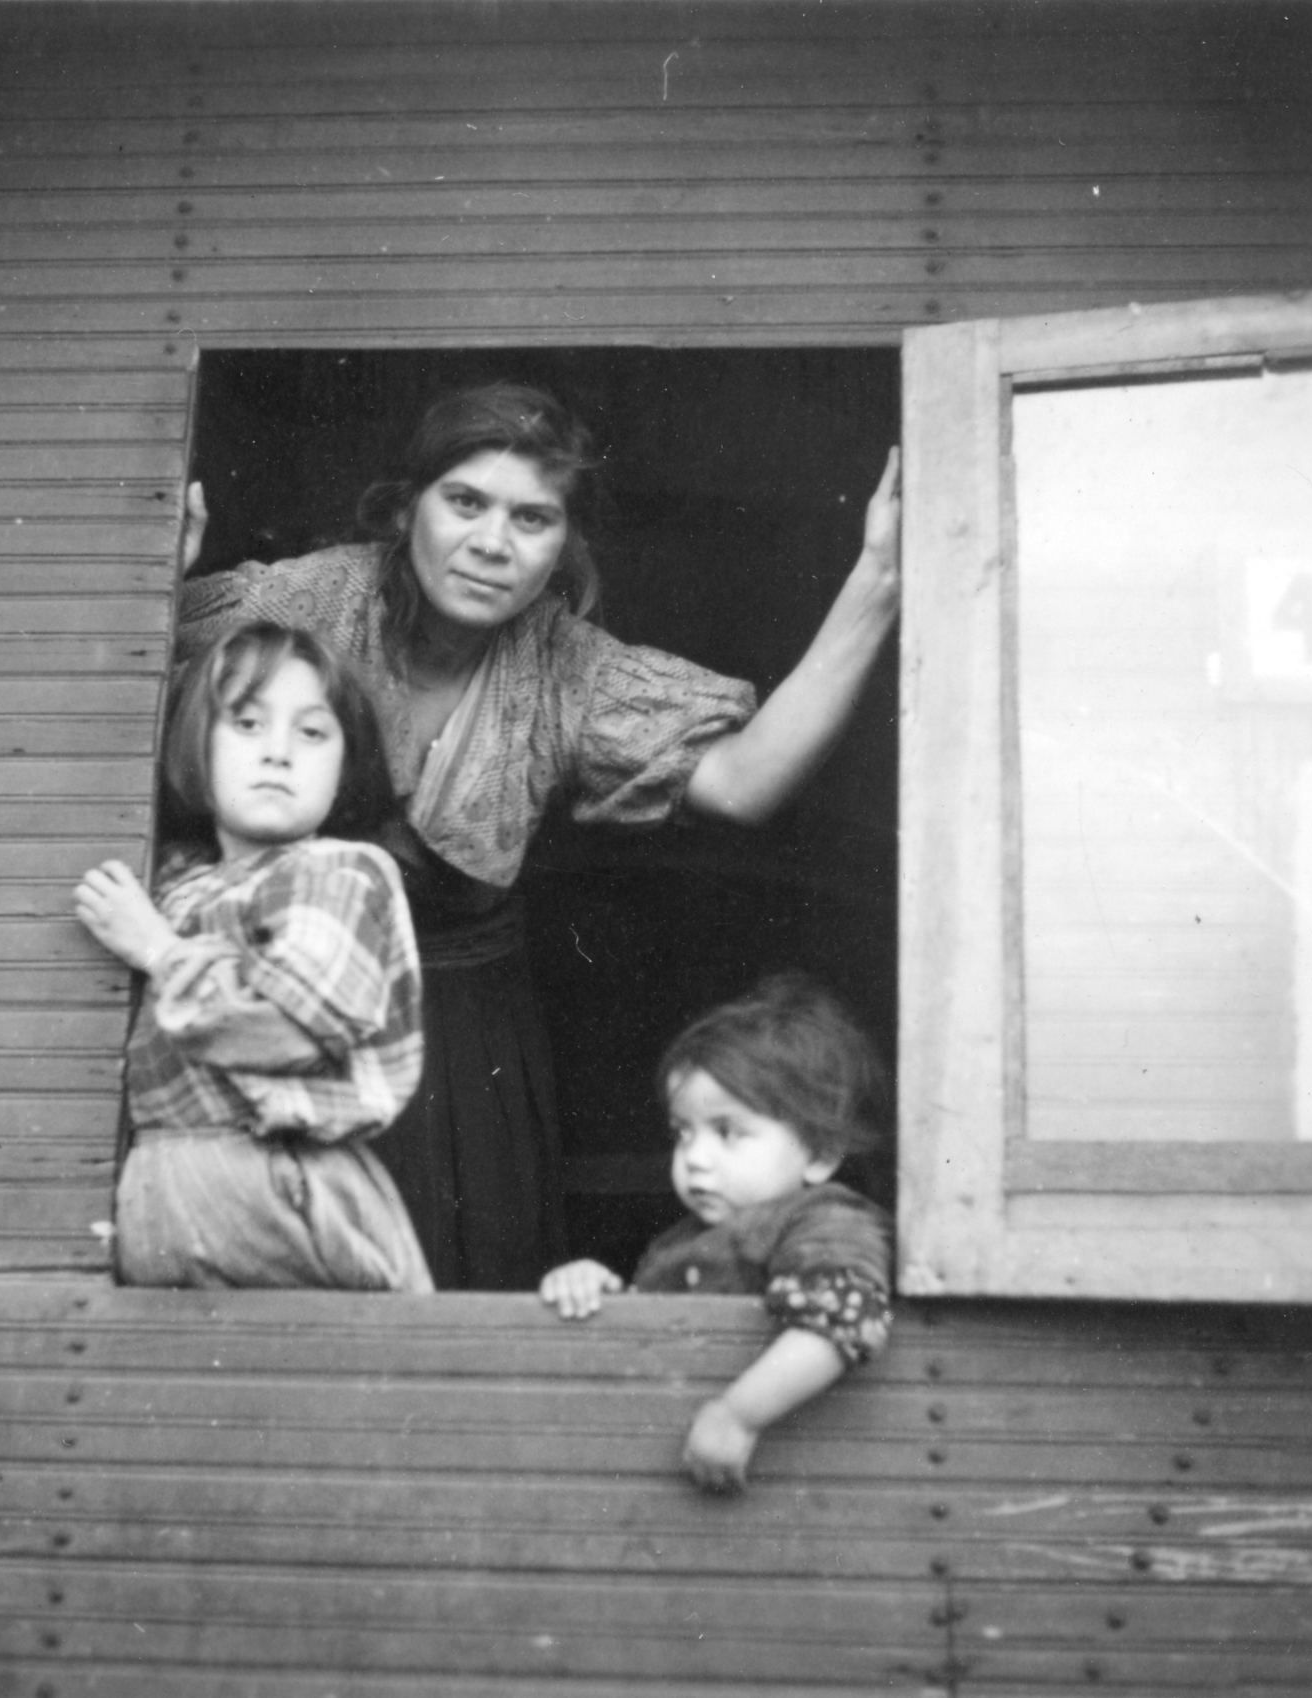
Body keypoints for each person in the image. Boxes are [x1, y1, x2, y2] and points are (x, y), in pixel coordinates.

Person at [175, 380, 902, 1290]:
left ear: (565, 546)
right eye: (465, 502)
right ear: (408, 509)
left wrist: (876, 581)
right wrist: (149, 576)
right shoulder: (307, 603)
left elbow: (745, 781)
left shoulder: (564, 668)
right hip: (277, 1001)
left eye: (533, 518)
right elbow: (147, 669)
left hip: (458, 1043)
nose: (491, 543)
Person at [74, 620, 432, 1292]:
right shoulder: (178, 886)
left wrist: (157, 949)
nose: (278, 753)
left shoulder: (339, 872)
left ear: (344, 765)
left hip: (273, 1179)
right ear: (196, 745)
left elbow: (285, 1029)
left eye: (312, 732)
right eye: (246, 723)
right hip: (166, 1183)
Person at [539, 974, 893, 1492]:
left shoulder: (825, 1221)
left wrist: (738, 1415)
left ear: (818, 1153)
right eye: (683, 1134)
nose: (694, 1159)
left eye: (728, 1132)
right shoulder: (680, 1240)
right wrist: (599, 1293)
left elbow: (844, 1315)